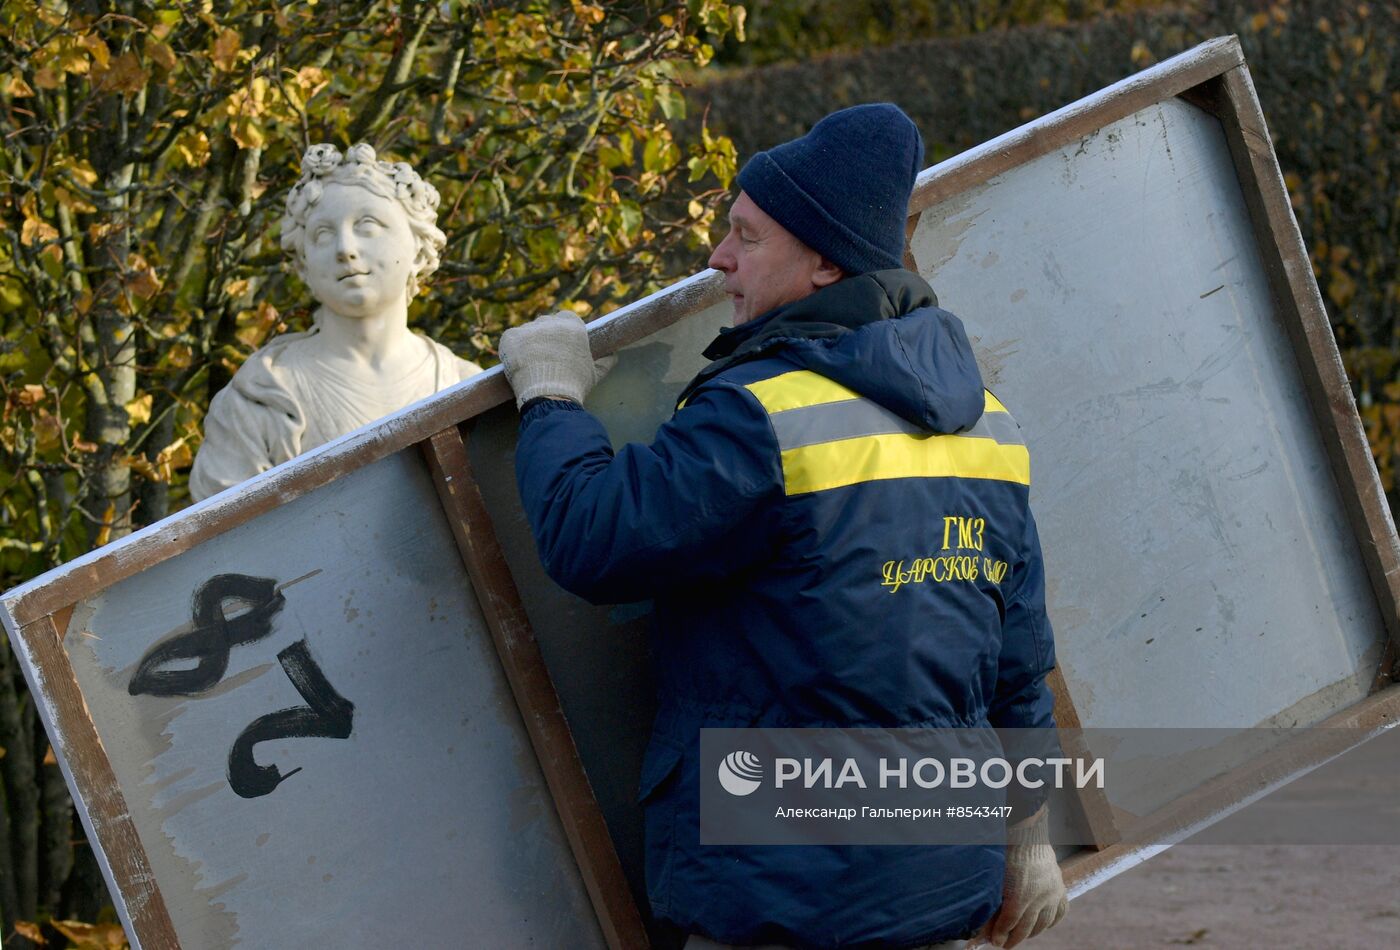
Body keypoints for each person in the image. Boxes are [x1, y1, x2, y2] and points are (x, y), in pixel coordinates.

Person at [500, 104, 1067, 949]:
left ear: (825, 264)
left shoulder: (757, 417)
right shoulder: (987, 425)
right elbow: (1017, 663)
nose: (720, 258)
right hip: (944, 883)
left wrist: (548, 396)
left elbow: (594, 538)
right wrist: (1027, 832)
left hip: (782, 897)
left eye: (747, 236)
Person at [189, 143, 481, 501]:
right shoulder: (259, 398)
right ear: (304, 265)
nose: (345, 248)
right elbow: (226, 541)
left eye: (367, 225)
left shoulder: (465, 387)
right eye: (323, 234)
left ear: (419, 249)